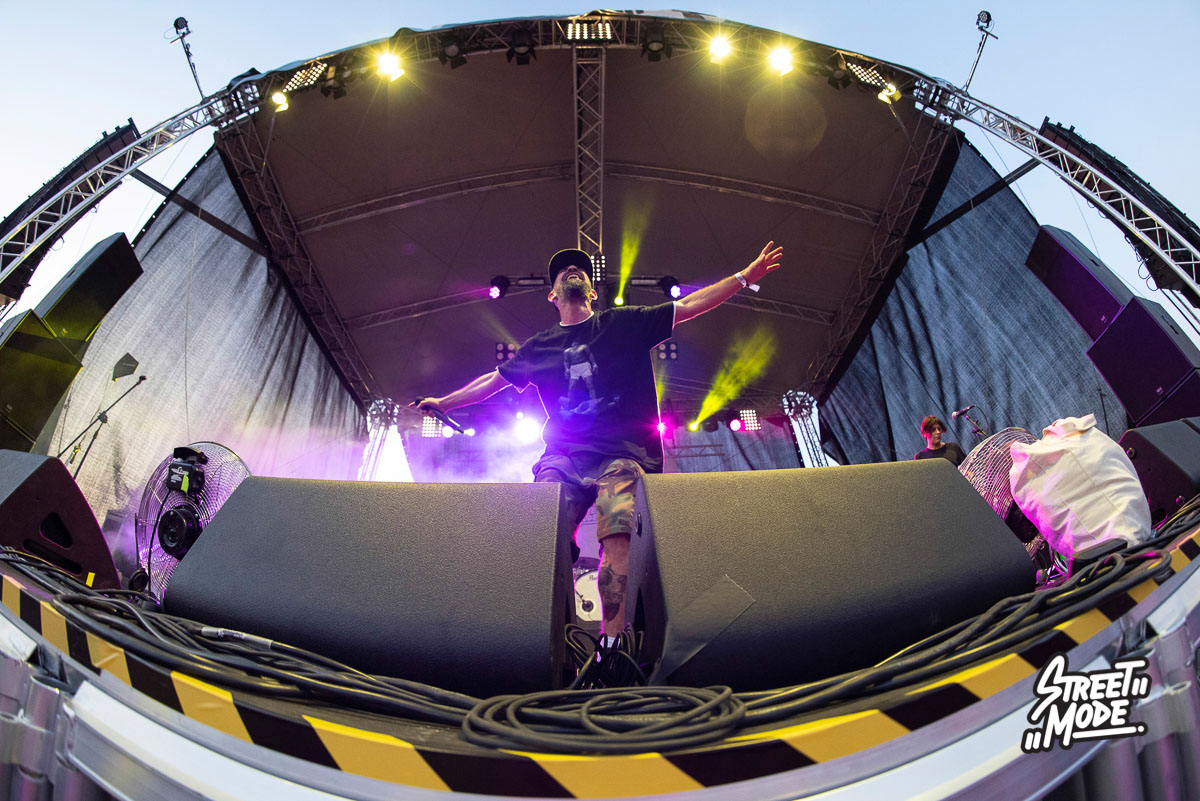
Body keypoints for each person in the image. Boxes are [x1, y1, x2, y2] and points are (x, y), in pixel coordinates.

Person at [412, 242, 784, 640]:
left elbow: (690, 306)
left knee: (618, 531)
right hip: (563, 455)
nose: (572, 270)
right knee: (543, 529)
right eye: (563, 270)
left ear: (592, 290)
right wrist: (444, 402)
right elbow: (493, 381)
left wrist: (744, 277)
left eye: (581, 269)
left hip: (622, 452)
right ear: (552, 295)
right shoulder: (539, 347)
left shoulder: (623, 323)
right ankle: (551, 644)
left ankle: (612, 646)